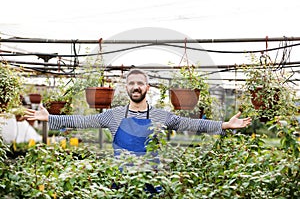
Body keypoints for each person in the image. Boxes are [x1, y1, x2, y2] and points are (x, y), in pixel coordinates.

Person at [24, 69, 251, 155]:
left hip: (151, 179)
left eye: (140, 83)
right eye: (131, 83)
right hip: (119, 181)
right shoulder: (112, 115)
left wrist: (224, 125)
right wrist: (49, 118)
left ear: (147, 88)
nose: (136, 87)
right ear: (126, 88)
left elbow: (194, 125)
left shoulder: (162, 116)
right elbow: (83, 120)